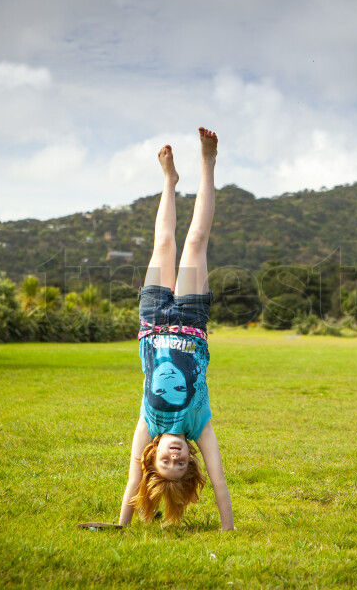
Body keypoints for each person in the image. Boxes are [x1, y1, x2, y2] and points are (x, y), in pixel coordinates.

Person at [117, 127, 234, 530]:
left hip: (151, 320)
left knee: (163, 243)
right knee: (196, 241)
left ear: (153, 457)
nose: (174, 457)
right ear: (189, 458)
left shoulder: (147, 424)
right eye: (180, 463)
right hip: (190, 319)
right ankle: (208, 162)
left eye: (166, 462)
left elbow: (134, 483)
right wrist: (227, 528)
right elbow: (218, 480)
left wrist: (122, 524)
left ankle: (169, 181)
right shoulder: (198, 423)